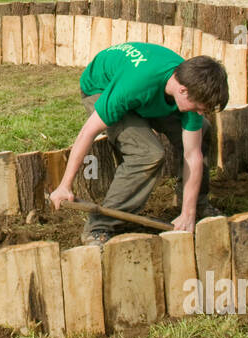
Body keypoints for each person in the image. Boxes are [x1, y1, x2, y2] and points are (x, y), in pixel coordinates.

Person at [48, 43, 229, 243]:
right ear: (183, 90)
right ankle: (100, 227)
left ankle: (197, 205)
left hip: (144, 93)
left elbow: (192, 154)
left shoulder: (191, 86)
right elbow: (87, 133)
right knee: (148, 154)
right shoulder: (135, 85)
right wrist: (65, 185)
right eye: (199, 108)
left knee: (201, 129)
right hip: (102, 87)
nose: (201, 112)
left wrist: (188, 212)